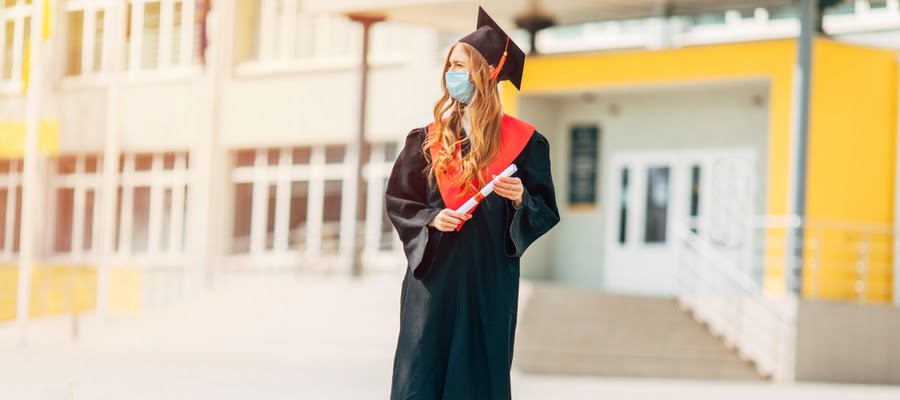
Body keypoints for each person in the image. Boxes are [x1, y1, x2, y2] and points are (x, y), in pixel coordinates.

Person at [385, 7, 560, 399]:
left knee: (477, 377)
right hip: (433, 282)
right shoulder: (425, 140)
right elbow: (399, 200)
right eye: (450, 64)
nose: (452, 73)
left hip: (487, 282)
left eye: (461, 64)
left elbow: (545, 210)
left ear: (486, 72)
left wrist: (521, 200)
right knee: (421, 375)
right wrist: (431, 218)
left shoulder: (526, 144)